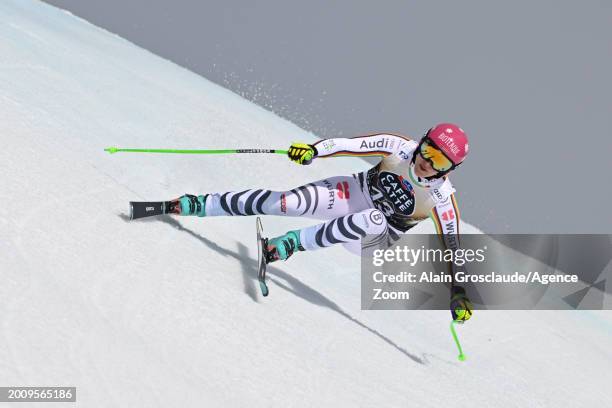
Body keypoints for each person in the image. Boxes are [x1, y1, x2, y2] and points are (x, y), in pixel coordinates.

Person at [167, 123, 473, 321]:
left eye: (441, 161)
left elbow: (453, 248)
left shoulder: (442, 199)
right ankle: (199, 204)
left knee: (374, 216)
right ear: (422, 140)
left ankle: (287, 245)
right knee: (285, 202)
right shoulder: (399, 146)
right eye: (429, 149)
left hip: (373, 237)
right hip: (353, 192)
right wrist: (313, 151)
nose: (428, 161)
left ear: (451, 169)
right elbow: (349, 145)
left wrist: (458, 291)